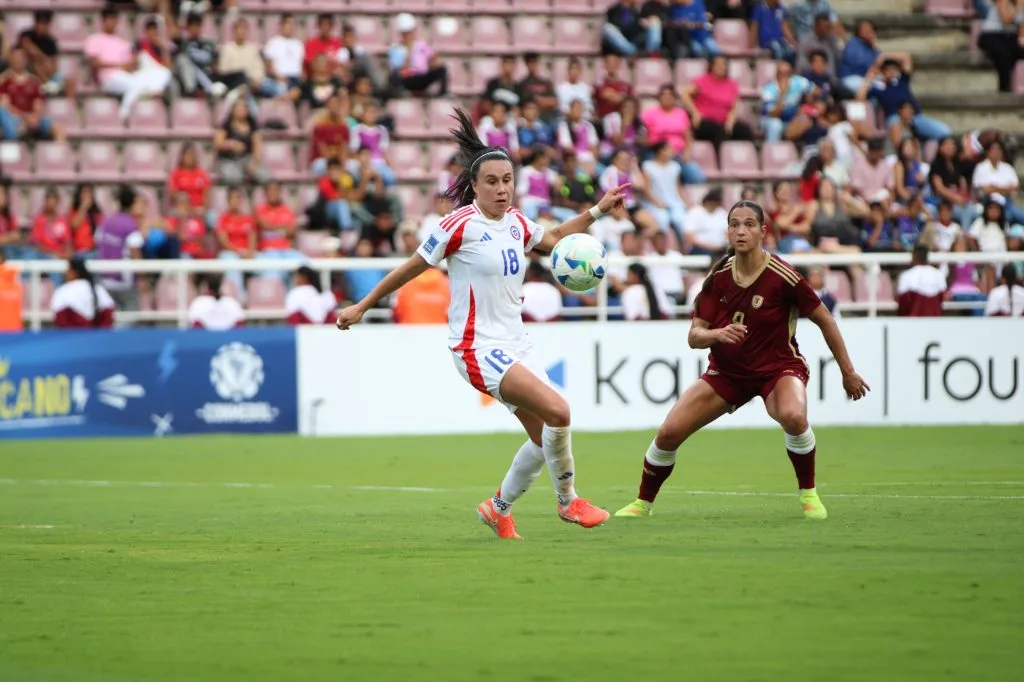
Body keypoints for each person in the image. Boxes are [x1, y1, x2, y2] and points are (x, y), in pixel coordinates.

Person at [336, 109, 630, 538]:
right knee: (559, 412)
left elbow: (552, 241)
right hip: (476, 347)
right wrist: (362, 305)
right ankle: (569, 503)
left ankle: (498, 508)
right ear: (474, 185)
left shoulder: (515, 223)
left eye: (507, 180)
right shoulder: (458, 225)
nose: (502, 188)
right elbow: (411, 267)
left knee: (542, 437)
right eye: (492, 181)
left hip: (517, 344)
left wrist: (597, 211)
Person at [614, 199, 870, 520]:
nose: (741, 231)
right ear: (727, 231)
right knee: (668, 433)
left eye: (749, 224)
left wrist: (848, 372)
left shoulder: (784, 276)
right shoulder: (719, 275)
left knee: (792, 415)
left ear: (763, 232)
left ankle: (809, 494)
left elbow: (825, 320)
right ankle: (642, 504)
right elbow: (694, 336)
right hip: (727, 373)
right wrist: (718, 335)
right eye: (735, 224)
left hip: (777, 369)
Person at [388, 13, 448, 96]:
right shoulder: (395, 49)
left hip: (422, 77)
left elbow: (432, 59)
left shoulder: (421, 44)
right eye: (405, 33)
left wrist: (433, 62)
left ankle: (443, 93)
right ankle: (400, 93)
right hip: (408, 79)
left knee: (442, 69)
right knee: (393, 76)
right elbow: (400, 70)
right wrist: (409, 50)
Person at [51, 258, 115, 328]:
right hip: (97, 334)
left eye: (68, 270)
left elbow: (60, 317)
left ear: (74, 272)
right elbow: (108, 312)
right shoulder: (98, 288)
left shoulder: (63, 290)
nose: (65, 273)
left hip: (72, 334)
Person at [977, 0, 1024, 93]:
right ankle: (1004, 87)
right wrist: (1018, 6)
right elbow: (1006, 20)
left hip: (1009, 36)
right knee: (1004, 54)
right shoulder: (1002, 1)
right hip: (992, 35)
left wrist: (1022, 37)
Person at [897, 245, 946, 316]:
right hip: (934, 316)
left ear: (913, 257)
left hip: (913, 318)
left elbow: (902, 301)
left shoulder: (906, 275)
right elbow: (942, 296)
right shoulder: (938, 274)